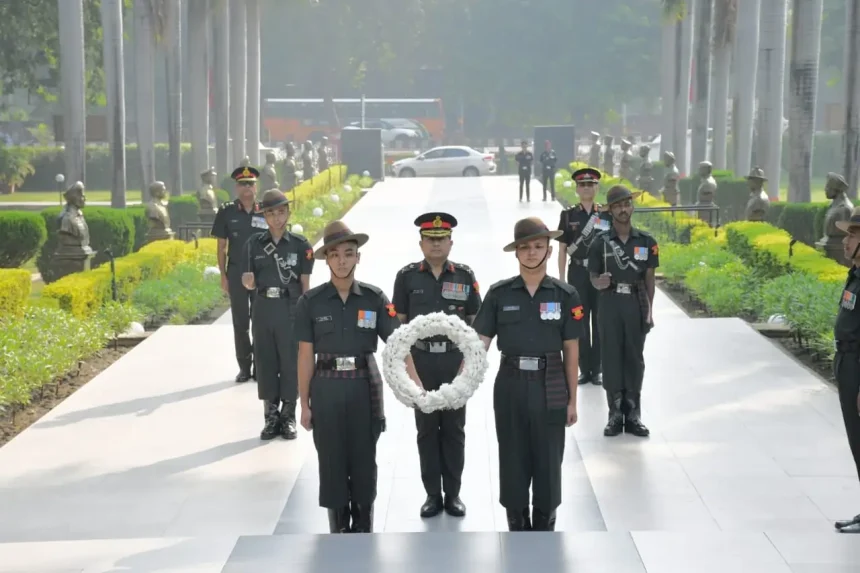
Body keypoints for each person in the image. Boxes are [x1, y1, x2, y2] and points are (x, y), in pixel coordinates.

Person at [295, 221, 423, 533]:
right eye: (335, 254)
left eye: (348, 253)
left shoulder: (374, 299)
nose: (342, 260)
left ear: (358, 257)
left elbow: (399, 345)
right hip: (326, 389)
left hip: (363, 387)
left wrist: (416, 384)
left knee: (364, 458)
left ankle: (364, 525)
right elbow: (305, 356)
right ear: (327, 259)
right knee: (331, 459)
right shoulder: (310, 302)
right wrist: (304, 404)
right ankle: (338, 527)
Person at [472, 217, 582, 532]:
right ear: (516, 252)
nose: (531, 252)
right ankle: (516, 521)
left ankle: (546, 521)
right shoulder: (499, 294)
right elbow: (479, 344)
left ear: (549, 250)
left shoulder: (566, 295)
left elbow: (571, 350)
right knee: (512, 452)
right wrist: (460, 382)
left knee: (549, 456)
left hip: (551, 381)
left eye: (538, 246)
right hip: (511, 381)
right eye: (524, 247)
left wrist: (572, 400)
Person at [392, 212, 482, 519]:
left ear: (450, 243)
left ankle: (453, 494)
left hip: (454, 362)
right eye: (430, 240)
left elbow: (475, 324)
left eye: (441, 239)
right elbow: (400, 327)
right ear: (421, 243)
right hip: (421, 362)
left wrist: (469, 368)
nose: (436, 244)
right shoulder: (407, 277)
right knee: (426, 430)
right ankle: (432, 494)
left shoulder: (464, 276)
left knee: (454, 430)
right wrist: (408, 372)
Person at [241, 189, 314, 440]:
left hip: (290, 308)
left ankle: (288, 416)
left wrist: (307, 315)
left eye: (281, 212)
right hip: (263, 308)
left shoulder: (301, 245)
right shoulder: (254, 244)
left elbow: (305, 284)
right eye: (271, 213)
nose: (277, 218)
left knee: (290, 361)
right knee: (265, 361)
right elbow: (248, 278)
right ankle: (270, 417)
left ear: (288, 213)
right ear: (264, 216)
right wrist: (247, 282)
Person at [586, 185, 657, 438]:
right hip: (610, 303)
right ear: (611, 210)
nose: (623, 209)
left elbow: (650, 279)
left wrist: (649, 310)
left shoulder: (646, 241)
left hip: (636, 303)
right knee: (611, 355)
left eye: (627, 204)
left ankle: (633, 413)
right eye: (618, 206)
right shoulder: (600, 242)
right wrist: (598, 282)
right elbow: (592, 276)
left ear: (632, 207)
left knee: (634, 357)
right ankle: (615, 413)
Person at [556, 167, 612, 386]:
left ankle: (597, 369)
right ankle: (584, 368)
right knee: (579, 320)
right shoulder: (568, 215)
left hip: (600, 274)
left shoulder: (605, 214)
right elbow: (562, 248)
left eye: (591, 184)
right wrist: (561, 278)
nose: (587, 188)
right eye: (583, 185)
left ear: (597, 188)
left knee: (599, 321)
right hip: (578, 272)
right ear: (577, 189)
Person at [211, 166, 266, 383]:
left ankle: (260, 368)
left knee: (261, 322)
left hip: (262, 275)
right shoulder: (227, 212)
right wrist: (223, 276)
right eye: (243, 184)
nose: (247, 188)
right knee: (240, 323)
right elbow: (221, 246)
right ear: (236, 188)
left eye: (250, 184)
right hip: (236, 273)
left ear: (256, 187)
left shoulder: (266, 211)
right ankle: (244, 367)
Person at [832, 208, 860, 533]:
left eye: (852, 235)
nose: (845, 240)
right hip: (847, 362)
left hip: (858, 365)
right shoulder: (855, 274)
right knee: (856, 441)